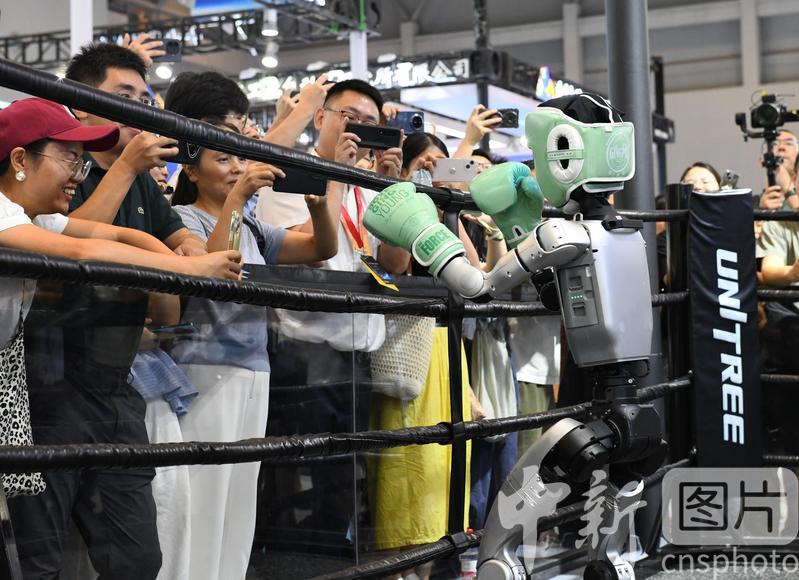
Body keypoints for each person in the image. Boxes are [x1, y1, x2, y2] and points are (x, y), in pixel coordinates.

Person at [0, 97, 241, 580]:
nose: (78, 171)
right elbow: (84, 251)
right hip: (30, 386)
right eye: (68, 157)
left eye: (81, 160)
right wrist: (189, 268)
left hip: (21, 385)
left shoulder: (30, 215)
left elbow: (113, 238)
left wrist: (172, 251)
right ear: (21, 160)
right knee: (27, 556)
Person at [165, 117, 342, 580]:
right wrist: (241, 195)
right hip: (202, 366)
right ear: (191, 171)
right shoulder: (184, 220)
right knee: (204, 495)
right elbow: (214, 268)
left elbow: (322, 247)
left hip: (255, 368)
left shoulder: (258, 229)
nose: (234, 168)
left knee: (240, 499)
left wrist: (320, 205)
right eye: (221, 159)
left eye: (239, 158)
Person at [254, 79, 409, 552]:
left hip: (357, 353)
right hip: (305, 352)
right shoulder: (288, 174)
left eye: (370, 123)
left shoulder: (370, 186)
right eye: (349, 118)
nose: (359, 131)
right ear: (320, 117)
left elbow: (398, 263)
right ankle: (293, 562)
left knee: (344, 479)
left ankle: (330, 564)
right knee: (300, 475)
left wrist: (395, 190)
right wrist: (336, 174)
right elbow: (308, 251)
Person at [368, 131, 474, 580]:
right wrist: (404, 193)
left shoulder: (444, 209)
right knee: (408, 475)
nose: (434, 171)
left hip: (448, 349)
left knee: (443, 473)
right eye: (425, 165)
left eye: (441, 164)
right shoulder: (399, 203)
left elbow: (473, 272)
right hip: (410, 350)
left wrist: (452, 207)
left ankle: (430, 569)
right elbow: (393, 263)